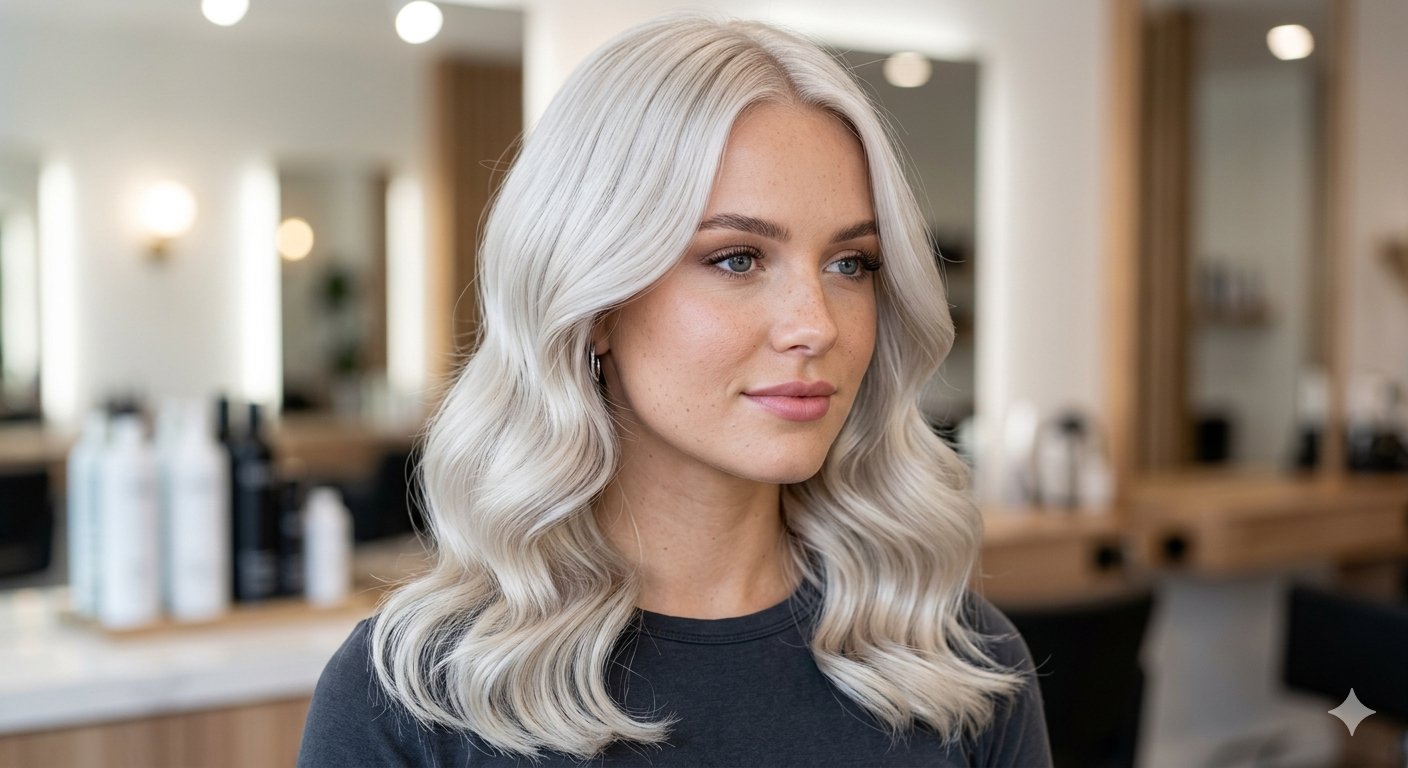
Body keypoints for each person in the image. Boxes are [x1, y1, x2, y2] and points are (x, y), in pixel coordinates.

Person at [299, 13, 1051, 767]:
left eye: (850, 263)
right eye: (737, 259)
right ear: (595, 305)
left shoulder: (959, 665)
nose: (816, 325)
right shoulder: (411, 699)